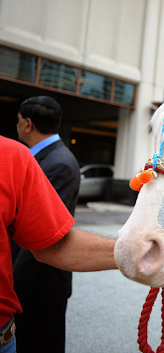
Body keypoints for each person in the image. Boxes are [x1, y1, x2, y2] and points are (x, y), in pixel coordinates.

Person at [1, 135, 117, 353]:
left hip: (40, 287)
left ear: (27, 123)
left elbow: (52, 241)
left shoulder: (14, 156)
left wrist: (138, 252)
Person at [12, 96, 80, 353]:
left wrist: (13, 289)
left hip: (39, 283)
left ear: (28, 124)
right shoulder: (46, 157)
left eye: (18, 121)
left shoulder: (58, 163)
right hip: (33, 279)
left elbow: (41, 233)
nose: (16, 126)